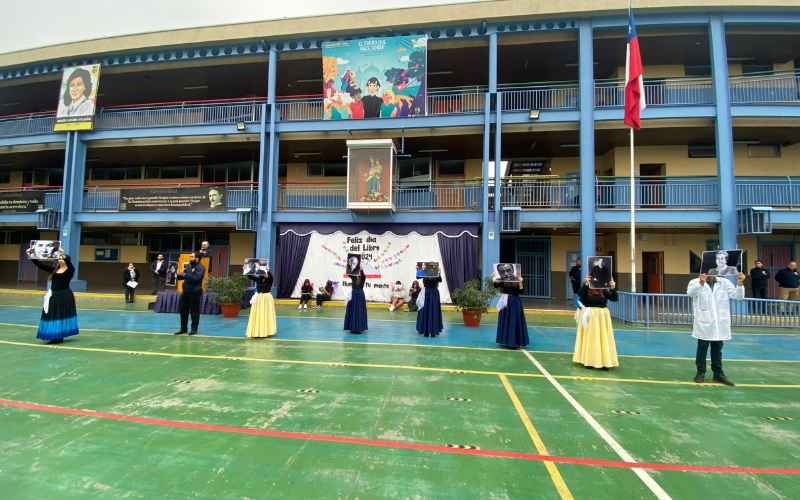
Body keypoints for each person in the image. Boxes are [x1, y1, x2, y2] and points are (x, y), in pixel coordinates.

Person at [687, 271, 746, 386]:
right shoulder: (695, 282)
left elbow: (738, 296)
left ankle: (718, 374)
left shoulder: (725, 282)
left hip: (719, 322)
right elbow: (691, 294)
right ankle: (700, 372)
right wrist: (701, 283)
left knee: (717, 348)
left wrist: (739, 284)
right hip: (704, 321)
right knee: (702, 347)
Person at [28, 247, 78, 344]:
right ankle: (54, 334)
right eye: (59, 259)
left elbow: (69, 264)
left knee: (61, 314)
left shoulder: (70, 270)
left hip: (64, 295)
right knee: (52, 314)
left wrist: (62, 253)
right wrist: (31, 254)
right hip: (53, 295)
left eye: (61, 259)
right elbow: (40, 265)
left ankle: (59, 336)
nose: (60, 260)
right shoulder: (54, 270)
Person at [573, 273, 619, 369]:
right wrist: (586, 283)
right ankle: (589, 360)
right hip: (590, 316)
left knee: (602, 338)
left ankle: (604, 361)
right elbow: (579, 294)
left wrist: (613, 288)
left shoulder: (603, 290)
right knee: (591, 338)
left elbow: (614, 298)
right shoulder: (585, 288)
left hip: (602, 316)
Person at [174, 252, 206, 336]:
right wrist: (174, 274)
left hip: (195, 291)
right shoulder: (189, 267)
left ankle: (194, 329)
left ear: (197, 258)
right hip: (186, 291)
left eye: (191, 257)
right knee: (183, 310)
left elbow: (195, 278)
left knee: (194, 311)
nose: (190, 258)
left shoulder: (201, 268)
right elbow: (183, 276)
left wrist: (184, 274)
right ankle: (183, 328)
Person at [494, 275, 529, 349]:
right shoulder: (505, 279)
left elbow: (521, 291)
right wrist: (493, 277)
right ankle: (506, 340)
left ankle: (514, 341)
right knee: (505, 320)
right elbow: (496, 285)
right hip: (505, 301)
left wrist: (520, 282)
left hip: (515, 301)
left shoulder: (518, 279)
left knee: (514, 320)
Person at [245, 265, 276, 338]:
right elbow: (250, 276)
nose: (265, 274)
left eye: (266, 273)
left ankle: (266, 331)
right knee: (258, 314)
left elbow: (270, 276)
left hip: (266, 299)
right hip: (259, 298)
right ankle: (257, 331)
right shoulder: (258, 279)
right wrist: (246, 269)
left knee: (265, 314)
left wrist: (268, 270)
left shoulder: (270, 279)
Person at [343, 265, 368, 333]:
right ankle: (352, 327)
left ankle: (358, 327)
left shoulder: (363, 278)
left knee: (359, 310)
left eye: (359, 272)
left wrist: (361, 268)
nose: (358, 273)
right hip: (353, 294)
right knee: (353, 310)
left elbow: (363, 274)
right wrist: (348, 266)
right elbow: (349, 273)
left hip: (359, 294)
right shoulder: (354, 278)